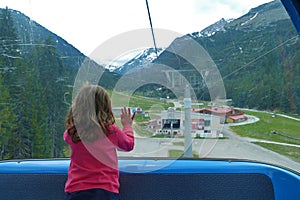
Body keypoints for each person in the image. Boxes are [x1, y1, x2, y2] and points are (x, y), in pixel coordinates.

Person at [63, 84, 135, 200]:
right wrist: (127, 126)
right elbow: (128, 145)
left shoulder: (72, 132)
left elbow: (66, 137)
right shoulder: (110, 131)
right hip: (105, 190)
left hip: (76, 190)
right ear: (105, 106)